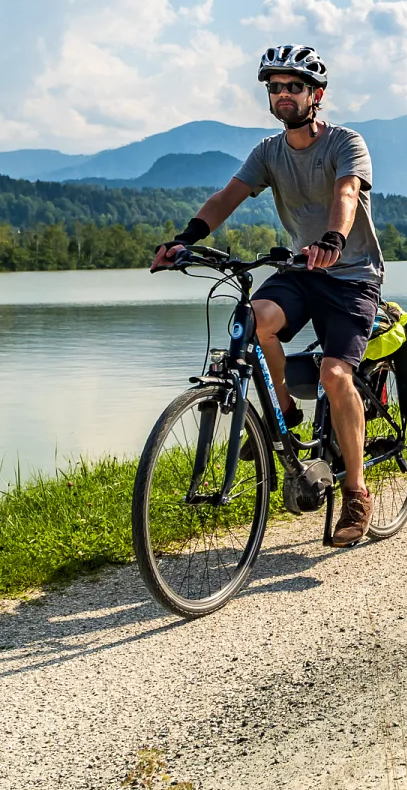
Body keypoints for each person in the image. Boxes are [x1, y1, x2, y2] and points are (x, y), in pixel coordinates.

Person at [151, 45, 385, 546]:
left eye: (293, 87)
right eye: (274, 88)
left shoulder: (346, 142)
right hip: (302, 270)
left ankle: (356, 491)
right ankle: (283, 410)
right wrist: (185, 240)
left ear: (316, 95)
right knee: (253, 319)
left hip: (351, 276)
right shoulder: (267, 152)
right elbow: (227, 197)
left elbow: (347, 193)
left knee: (334, 371)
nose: (282, 95)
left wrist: (334, 241)